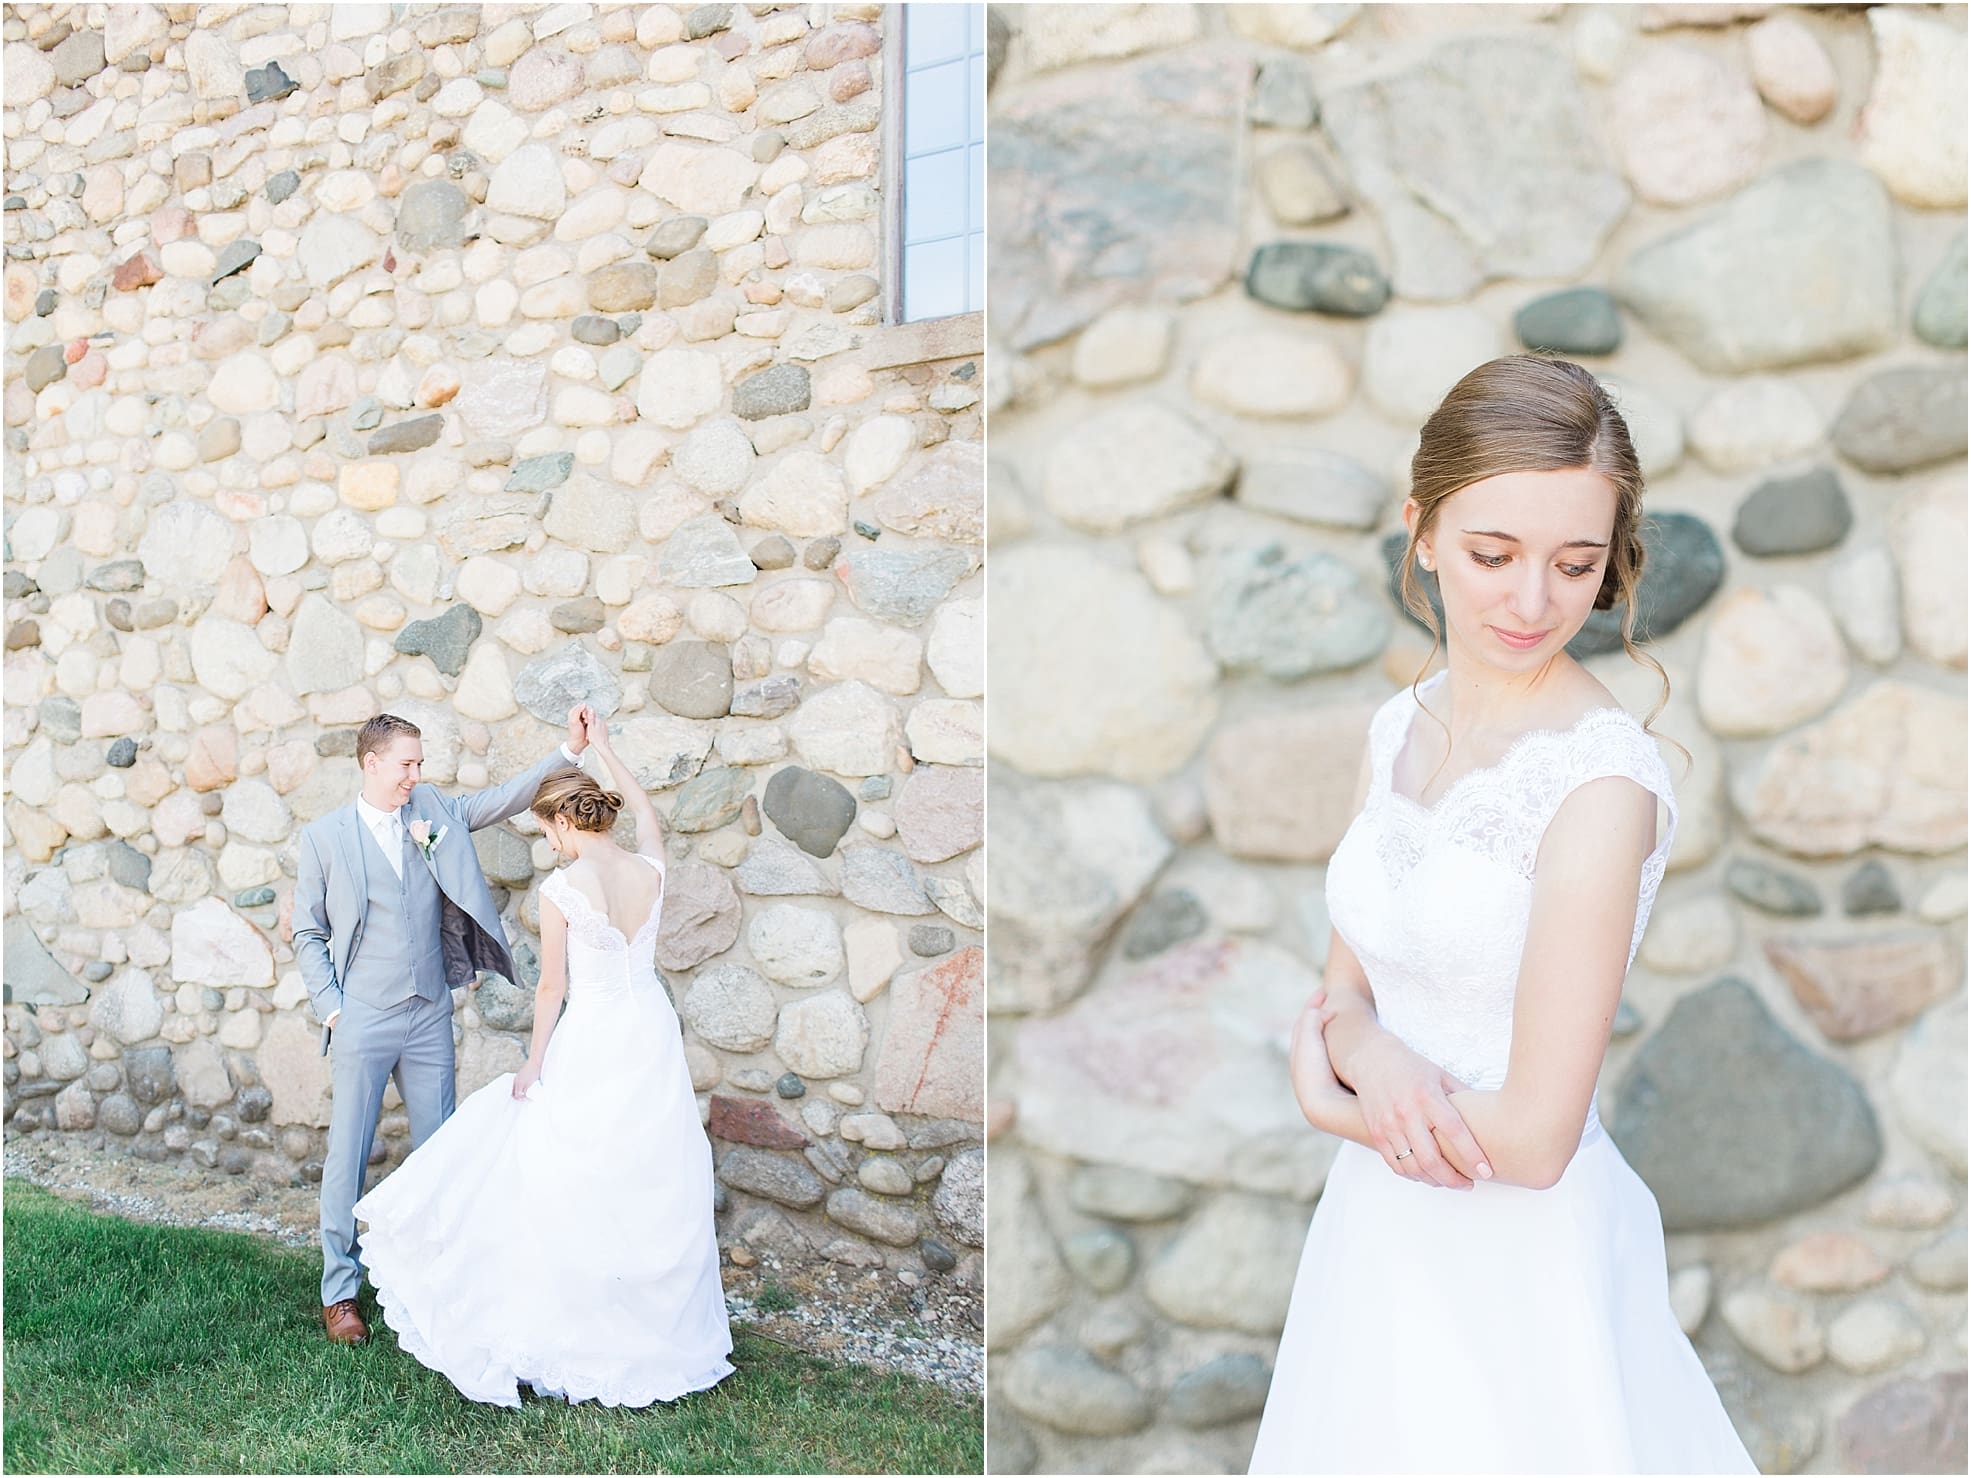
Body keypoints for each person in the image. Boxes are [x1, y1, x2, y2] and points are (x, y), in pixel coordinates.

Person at [1248, 356, 1756, 1474]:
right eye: (1494, 555)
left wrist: (1338, 1103)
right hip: (1378, 1236)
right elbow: (1345, 990)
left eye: (1575, 565)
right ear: (1422, 532)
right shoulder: (1399, 724)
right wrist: (1373, 1056)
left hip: (1521, 1264)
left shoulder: (1599, 784)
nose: (1533, 603)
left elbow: (1531, 1140)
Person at [350, 705, 735, 1409]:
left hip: (595, 1034)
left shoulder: (563, 890)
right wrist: (606, 749)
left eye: (547, 831)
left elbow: (551, 989)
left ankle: (574, 1321)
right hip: (650, 1031)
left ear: (563, 821)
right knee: (647, 1166)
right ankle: (646, 1323)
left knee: (570, 1169)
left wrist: (533, 1064)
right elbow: (647, 812)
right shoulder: (649, 868)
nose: (550, 844)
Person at [293, 706, 589, 1346]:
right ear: (372, 763)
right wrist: (334, 1008)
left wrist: (568, 752)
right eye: (407, 764)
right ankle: (339, 1292)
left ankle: (434, 1282)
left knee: (441, 1153)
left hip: (428, 1012)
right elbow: (307, 932)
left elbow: (502, 798)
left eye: (420, 763)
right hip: (363, 1018)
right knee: (348, 1154)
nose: (416, 775)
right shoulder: (323, 838)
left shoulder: (431, 810)